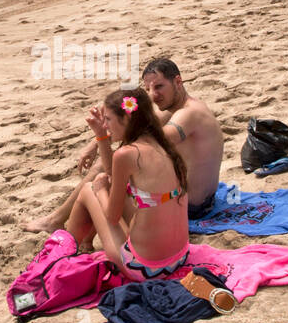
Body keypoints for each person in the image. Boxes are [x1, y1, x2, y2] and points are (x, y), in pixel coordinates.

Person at [23, 58, 224, 234]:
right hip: (196, 201)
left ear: (178, 81)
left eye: (159, 86)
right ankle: (75, 233)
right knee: (111, 167)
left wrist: (103, 140)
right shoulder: (176, 108)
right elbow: (140, 126)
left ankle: (56, 221)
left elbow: (154, 140)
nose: (153, 95)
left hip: (193, 207)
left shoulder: (189, 113)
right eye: (148, 90)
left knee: (106, 171)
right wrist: (95, 144)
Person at [62, 88, 189, 280]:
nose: (105, 125)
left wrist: (100, 190)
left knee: (89, 189)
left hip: (144, 268)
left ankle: (63, 254)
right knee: (112, 187)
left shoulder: (127, 154)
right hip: (178, 258)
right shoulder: (161, 144)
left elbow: (112, 217)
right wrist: (101, 135)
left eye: (108, 120)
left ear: (127, 119)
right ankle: (82, 244)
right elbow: (115, 175)